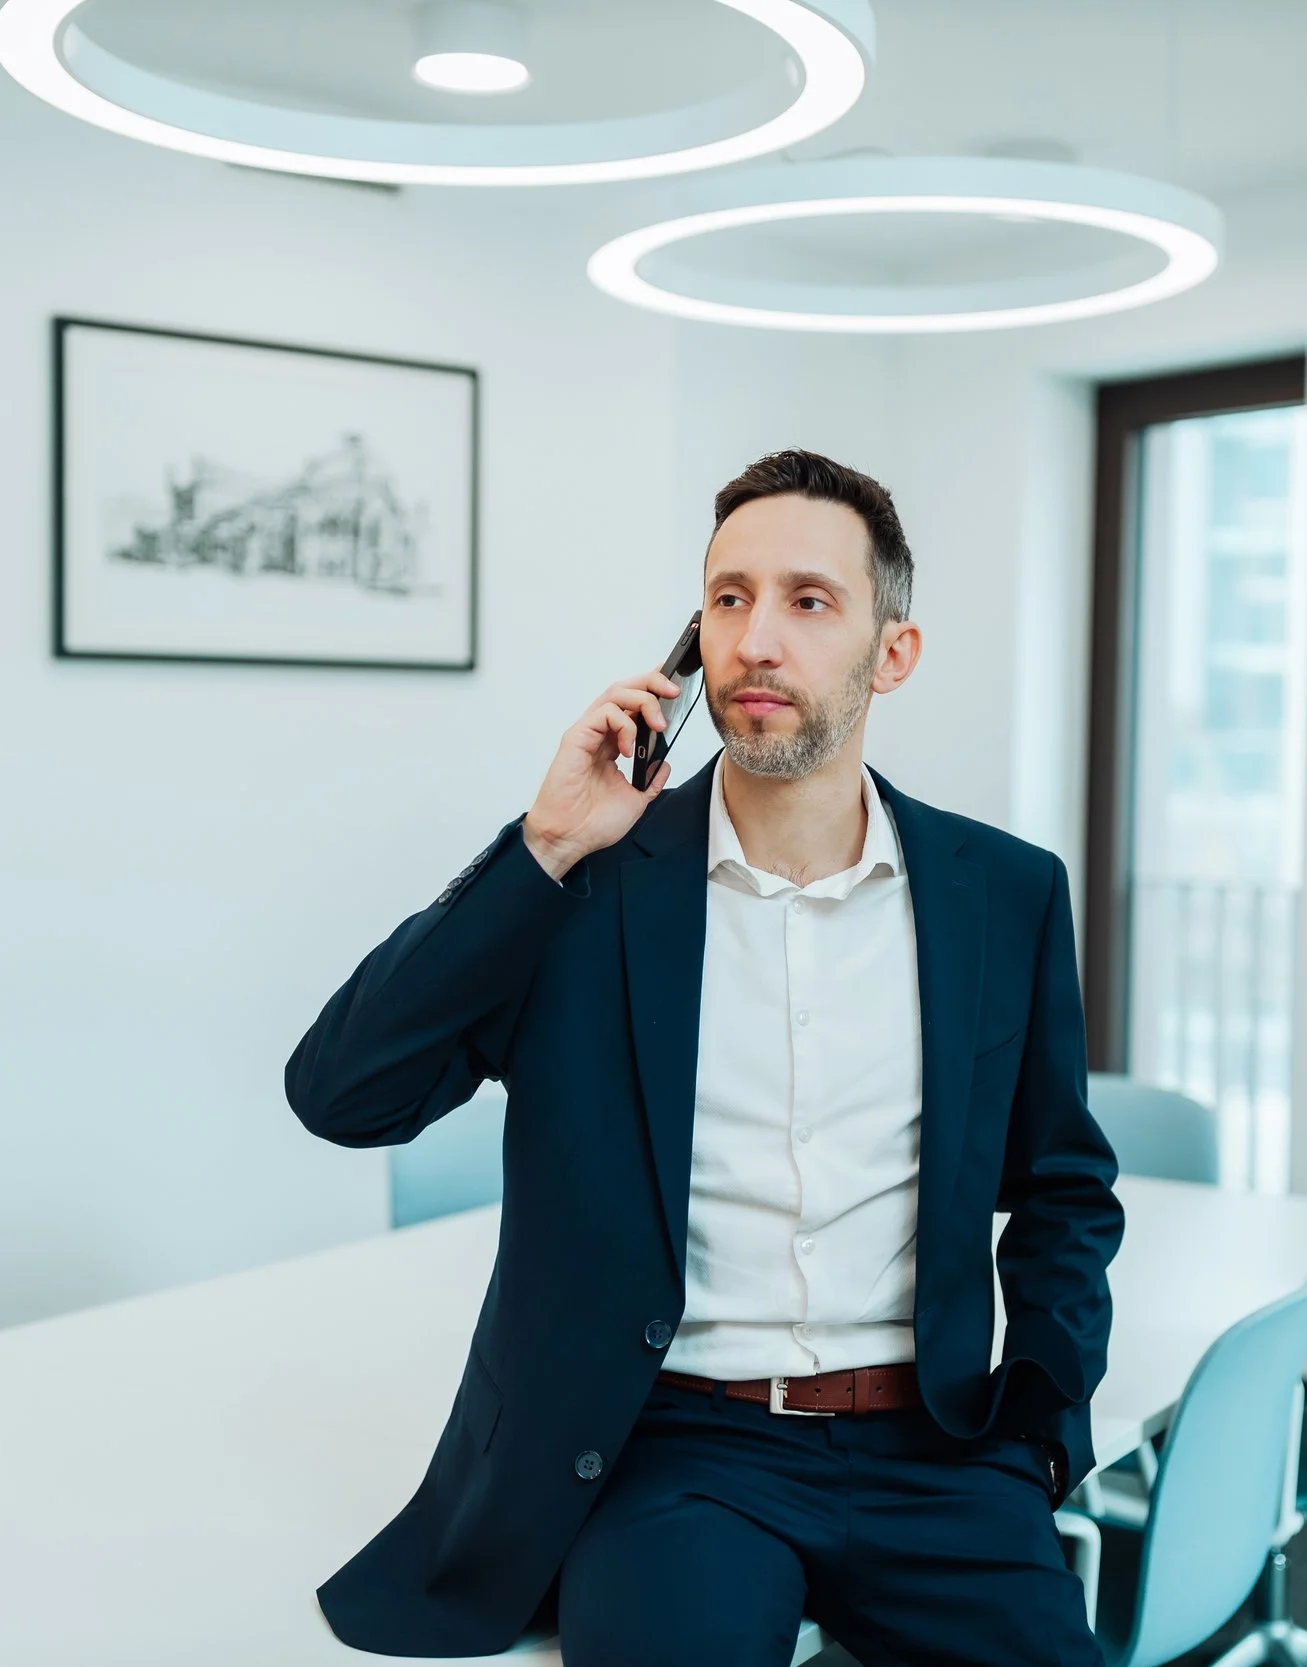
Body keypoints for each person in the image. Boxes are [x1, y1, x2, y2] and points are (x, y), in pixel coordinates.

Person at [287, 450, 1126, 1666]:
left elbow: (1062, 1189)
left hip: (932, 1451)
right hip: (676, 1453)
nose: (757, 639)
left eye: (807, 600)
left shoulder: (1005, 893)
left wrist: (1041, 1423)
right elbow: (343, 1094)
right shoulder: (585, 890)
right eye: (728, 599)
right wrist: (543, 843)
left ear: (893, 652)